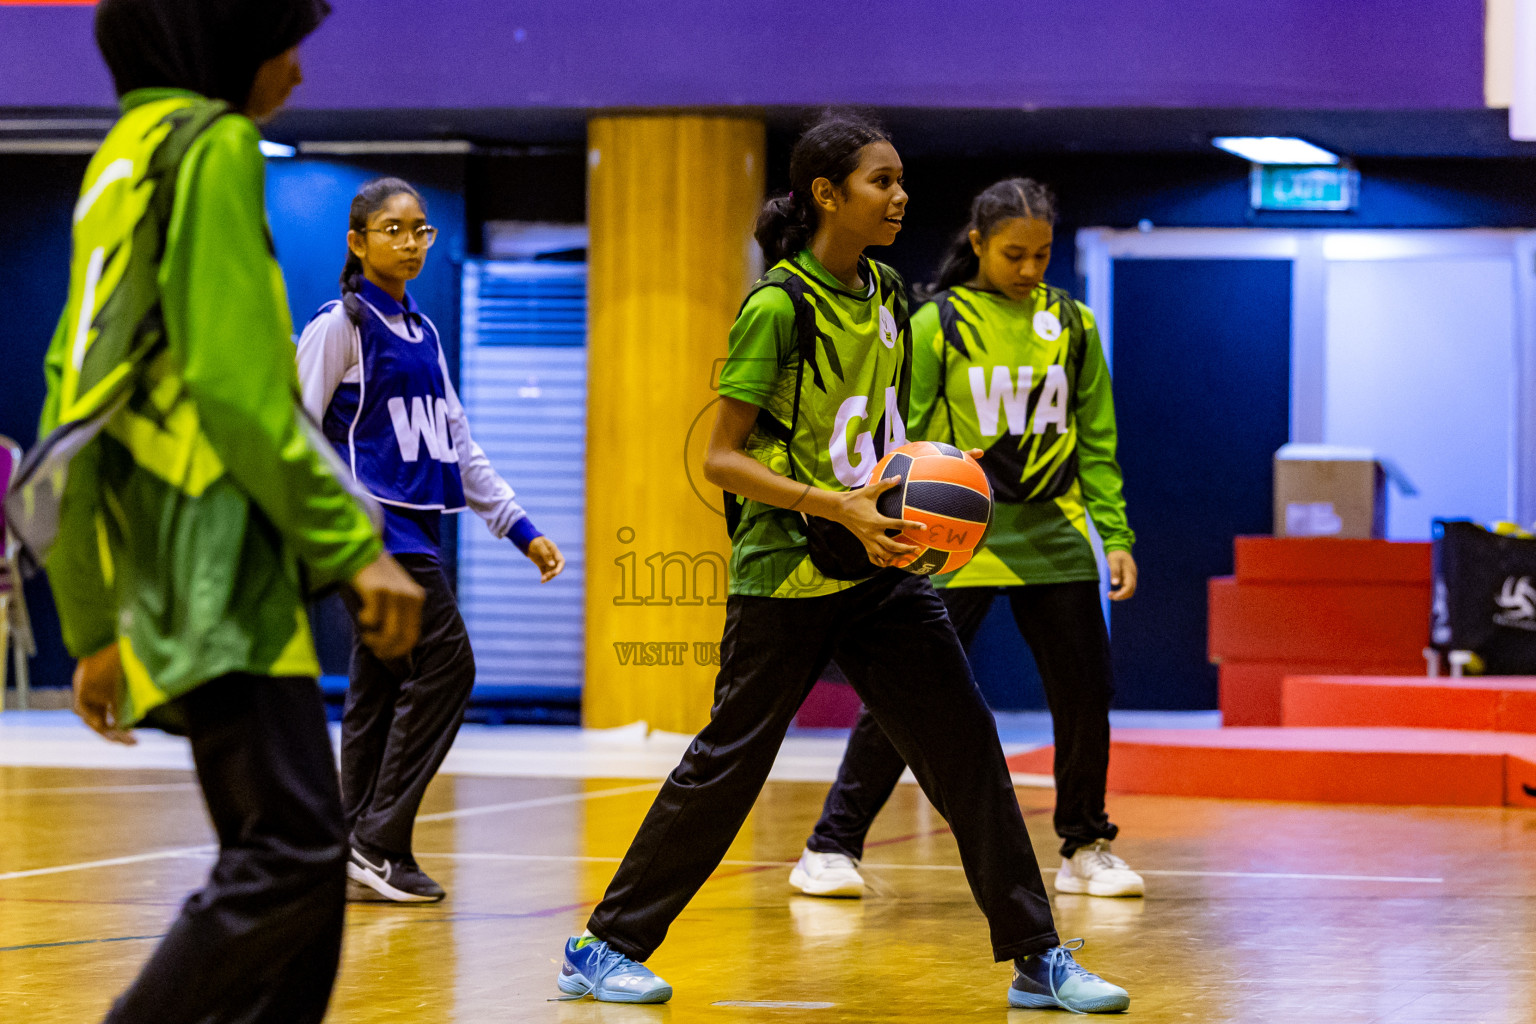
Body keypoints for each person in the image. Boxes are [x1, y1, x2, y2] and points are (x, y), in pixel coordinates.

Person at [552, 115, 1130, 1014]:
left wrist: (924, 500)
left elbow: (885, 437)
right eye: (881, 181)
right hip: (787, 570)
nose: (900, 196)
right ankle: (603, 945)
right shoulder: (778, 305)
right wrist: (836, 507)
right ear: (827, 194)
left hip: (882, 567)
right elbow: (721, 459)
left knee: (967, 749)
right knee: (728, 763)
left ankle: (1037, 956)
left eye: (902, 180)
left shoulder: (892, 292)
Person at [41, 1, 424, 1021]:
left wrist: (93, 611)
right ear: (221, 36)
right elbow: (240, 386)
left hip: (162, 559)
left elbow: (68, 393)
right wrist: (356, 547)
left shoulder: (122, 159)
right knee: (293, 851)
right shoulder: (210, 146)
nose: (296, 68)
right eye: (283, 38)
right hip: (219, 553)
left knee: (303, 868)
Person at [792, 178, 1144, 902]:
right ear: (979, 243)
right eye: (1014, 253)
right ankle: (831, 845)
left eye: (1043, 254)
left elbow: (1098, 441)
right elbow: (904, 432)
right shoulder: (936, 324)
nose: (1029, 268)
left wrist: (1114, 534)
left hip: (1054, 535)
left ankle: (1085, 843)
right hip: (958, 540)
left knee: (1085, 692)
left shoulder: (1072, 324)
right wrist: (901, 520)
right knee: (908, 694)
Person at [297, 177, 566, 902]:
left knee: (379, 689)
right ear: (358, 242)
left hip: (419, 529)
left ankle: (352, 844)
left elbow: (457, 442)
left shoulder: (423, 332)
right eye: (393, 229)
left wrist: (519, 526)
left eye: (421, 230)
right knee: (448, 667)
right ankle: (377, 842)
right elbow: (293, 428)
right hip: (374, 538)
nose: (410, 242)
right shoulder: (341, 324)